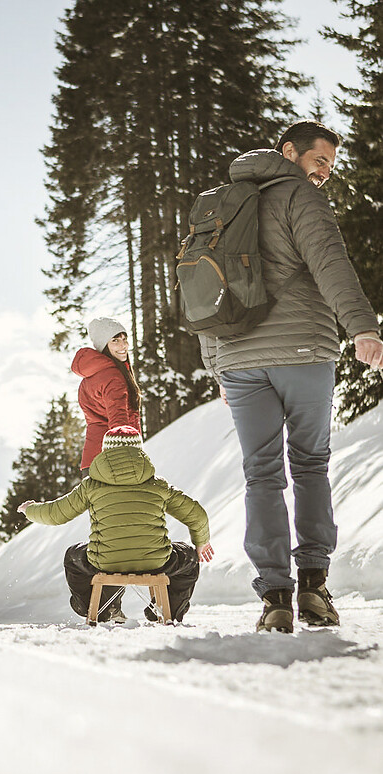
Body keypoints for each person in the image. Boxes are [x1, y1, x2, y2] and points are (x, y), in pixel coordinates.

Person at [199, 120, 383, 633]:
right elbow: (331, 263)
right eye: (319, 160)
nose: (325, 172)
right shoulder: (298, 196)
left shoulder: (221, 201)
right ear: (289, 152)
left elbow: (204, 288)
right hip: (303, 351)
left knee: (261, 474)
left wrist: (218, 362)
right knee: (309, 466)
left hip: (238, 359)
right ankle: (313, 589)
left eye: (330, 164)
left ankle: (275, 596)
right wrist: (363, 328)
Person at [18, 425, 214, 624]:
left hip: (105, 561)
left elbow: (56, 514)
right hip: (156, 561)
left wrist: (30, 510)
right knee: (188, 557)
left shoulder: (90, 486)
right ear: (139, 451)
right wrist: (201, 543)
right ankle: (167, 608)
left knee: (72, 557)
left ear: (105, 452)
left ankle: (95, 607)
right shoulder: (158, 485)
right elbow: (197, 516)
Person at [71, 317, 142, 476]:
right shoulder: (113, 376)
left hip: (91, 461)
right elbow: (119, 421)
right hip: (112, 461)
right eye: (115, 341)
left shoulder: (89, 377)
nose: (123, 345)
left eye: (124, 339)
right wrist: (127, 457)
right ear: (104, 346)